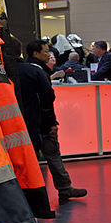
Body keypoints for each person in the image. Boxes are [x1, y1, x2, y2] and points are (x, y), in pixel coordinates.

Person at [20, 40, 87, 205]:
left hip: (25, 122)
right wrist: (51, 122)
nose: (48, 54)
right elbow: (47, 98)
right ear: (35, 53)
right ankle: (64, 188)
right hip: (42, 123)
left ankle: (30, 194)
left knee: (30, 160)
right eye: (45, 51)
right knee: (53, 155)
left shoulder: (20, 71)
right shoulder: (38, 71)